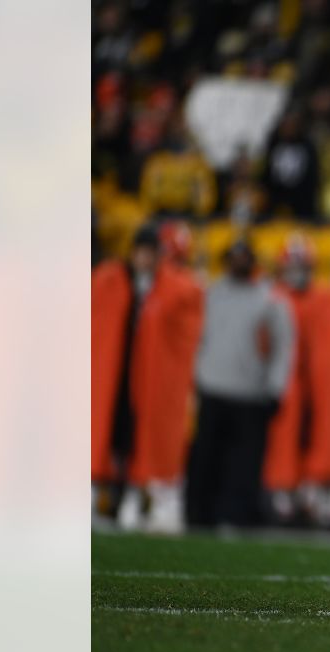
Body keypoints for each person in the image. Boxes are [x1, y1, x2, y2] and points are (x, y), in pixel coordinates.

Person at [92, 223, 203, 533]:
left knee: (150, 440)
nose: (145, 259)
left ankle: (145, 502)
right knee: (109, 435)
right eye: (141, 252)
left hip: (150, 381)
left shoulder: (174, 287)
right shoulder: (112, 279)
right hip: (116, 375)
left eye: (150, 253)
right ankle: (106, 499)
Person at [186, 241, 294, 528]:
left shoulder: (270, 299)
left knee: (245, 465)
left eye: (243, 257)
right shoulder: (211, 294)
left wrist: (276, 388)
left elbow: (283, 348)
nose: (238, 262)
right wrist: (194, 378)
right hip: (212, 387)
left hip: (251, 393)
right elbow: (197, 339)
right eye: (234, 257)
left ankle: (238, 517)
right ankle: (199, 515)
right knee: (205, 459)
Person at [263, 237, 330, 526]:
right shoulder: (275, 299)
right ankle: (285, 489)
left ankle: (318, 490)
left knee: (326, 431)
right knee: (284, 434)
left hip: (317, 384)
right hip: (286, 384)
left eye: (301, 265)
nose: (296, 272)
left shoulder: (329, 300)